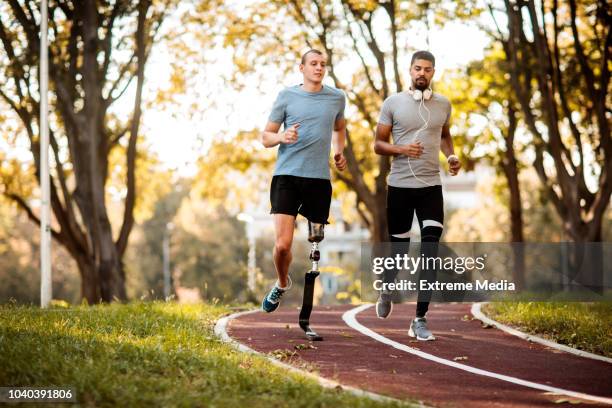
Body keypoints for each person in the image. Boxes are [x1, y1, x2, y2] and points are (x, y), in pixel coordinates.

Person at [373, 50, 461, 340]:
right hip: (399, 186)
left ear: (433, 73)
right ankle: (387, 286)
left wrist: (451, 156)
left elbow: (445, 135)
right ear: (410, 71)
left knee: (431, 249)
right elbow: (378, 144)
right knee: (398, 254)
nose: (422, 73)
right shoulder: (393, 103)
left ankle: (419, 318)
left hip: (430, 187)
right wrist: (402, 149)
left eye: (427, 69)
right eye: (417, 68)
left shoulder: (443, 104)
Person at [260, 49, 347, 313]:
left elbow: (340, 127)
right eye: (313, 64)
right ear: (302, 68)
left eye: (323, 64)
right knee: (283, 244)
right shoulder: (287, 96)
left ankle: (311, 294)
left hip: (318, 179)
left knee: (315, 239)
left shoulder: (336, 97)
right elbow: (265, 136)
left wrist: (339, 151)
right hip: (287, 176)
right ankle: (282, 283)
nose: (319, 68)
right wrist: (281, 137)